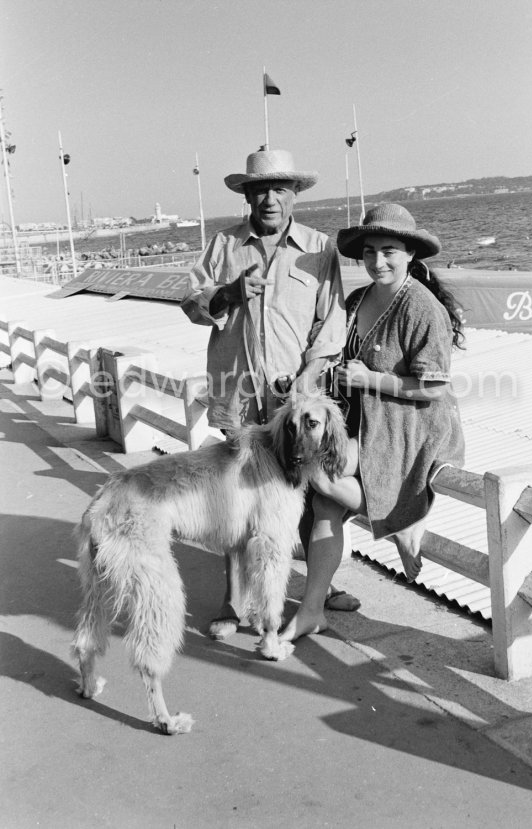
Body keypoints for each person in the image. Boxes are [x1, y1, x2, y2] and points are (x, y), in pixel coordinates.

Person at [180, 147, 356, 640]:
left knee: (306, 491)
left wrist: (310, 374)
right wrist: (228, 293)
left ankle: (317, 589)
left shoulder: (320, 248)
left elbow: (332, 322)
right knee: (239, 499)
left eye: (280, 189)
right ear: (247, 195)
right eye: (261, 190)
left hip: (295, 403)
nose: (271, 199)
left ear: (295, 194)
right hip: (238, 395)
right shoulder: (223, 244)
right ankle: (233, 601)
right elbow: (191, 302)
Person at [280, 203, 465, 643]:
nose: (377, 261)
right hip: (367, 424)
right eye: (369, 252)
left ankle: (399, 520)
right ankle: (310, 611)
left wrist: (372, 378)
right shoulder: (357, 300)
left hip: (413, 428)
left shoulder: (422, 306)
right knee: (323, 501)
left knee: (319, 472)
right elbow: (339, 362)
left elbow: (435, 387)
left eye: (389, 251)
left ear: (410, 255)